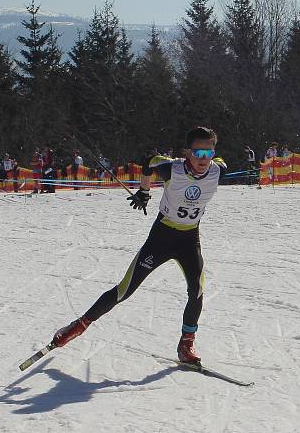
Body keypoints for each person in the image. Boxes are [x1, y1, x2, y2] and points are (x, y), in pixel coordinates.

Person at [50, 127, 228, 364]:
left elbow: (220, 162)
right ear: (187, 152)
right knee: (125, 290)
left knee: (197, 290)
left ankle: (186, 344)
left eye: (209, 153)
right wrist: (144, 191)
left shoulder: (218, 170)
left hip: (189, 239)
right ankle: (79, 325)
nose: (203, 160)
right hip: (162, 237)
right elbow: (148, 163)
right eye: (198, 153)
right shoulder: (171, 168)